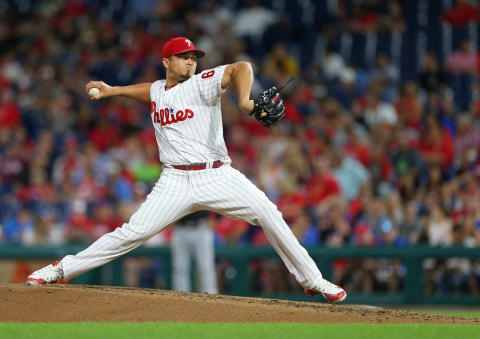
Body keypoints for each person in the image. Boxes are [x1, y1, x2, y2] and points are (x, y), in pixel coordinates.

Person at [26, 37, 346, 303]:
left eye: (193, 57)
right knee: (132, 234)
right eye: (183, 58)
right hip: (175, 180)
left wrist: (246, 101)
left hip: (216, 174)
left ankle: (312, 279)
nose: (191, 62)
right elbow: (149, 90)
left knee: (268, 211)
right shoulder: (157, 90)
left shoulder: (202, 84)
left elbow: (240, 68)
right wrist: (113, 90)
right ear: (167, 62)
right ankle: (61, 270)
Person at [172, 211, 218, 294]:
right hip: (180, 228)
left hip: (201, 226)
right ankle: (180, 298)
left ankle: (211, 298)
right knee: (180, 267)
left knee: (205, 266)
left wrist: (214, 218)